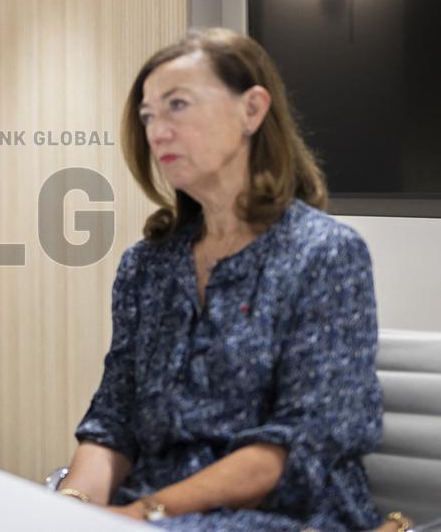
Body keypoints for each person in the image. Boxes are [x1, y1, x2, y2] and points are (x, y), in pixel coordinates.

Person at [57, 28, 399, 530]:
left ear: (252, 110)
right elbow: (113, 421)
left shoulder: (324, 253)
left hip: (284, 513)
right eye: (148, 115)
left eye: (177, 105)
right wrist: (72, 507)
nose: (156, 131)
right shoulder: (146, 266)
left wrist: (138, 514)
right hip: (151, 507)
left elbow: (291, 447)